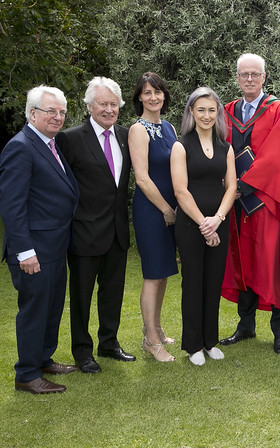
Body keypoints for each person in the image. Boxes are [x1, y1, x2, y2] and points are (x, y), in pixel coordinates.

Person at [0, 85, 79, 393]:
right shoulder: (21, 146)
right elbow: (12, 206)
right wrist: (24, 252)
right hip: (34, 250)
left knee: (51, 307)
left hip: (55, 247)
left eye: (61, 112)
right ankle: (27, 374)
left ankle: (44, 358)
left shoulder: (50, 144)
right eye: (51, 111)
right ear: (32, 113)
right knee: (34, 310)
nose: (58, 117)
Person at [219, 53, 280, 354]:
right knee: (242, 262)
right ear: (237, 78)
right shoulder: (226, 112)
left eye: (255, 74)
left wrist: (242, 185)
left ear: (264, 77)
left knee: (271, 264)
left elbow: (276, 154)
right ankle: (245, 325)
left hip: (265, 200)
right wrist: (228, 188)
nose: (249, 79)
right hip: (234, 202)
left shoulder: (279, 110)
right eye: (244, 74)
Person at [55, 77, 135, 374]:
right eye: (103, 104)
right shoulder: (71, 138)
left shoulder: (127, 136)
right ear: (90, 106)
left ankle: (109, 343)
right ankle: (82, 351)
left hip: (117, 231)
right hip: (84, 233)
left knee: (112, 292)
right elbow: (61, 186)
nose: (109, 109)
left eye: (114, 104)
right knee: (81, 295)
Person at [171, 87, 237, 366]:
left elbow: (231, 186)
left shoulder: (226, 147)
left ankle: (211, 341)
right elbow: (180, 191)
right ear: (191, 112)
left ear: (218, 113)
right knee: (193, 282)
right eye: (201, 110)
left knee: (213, 282)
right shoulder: (180, 145)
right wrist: (203, 223)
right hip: (190, 224)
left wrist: (217, 220)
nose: (207, 115)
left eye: (212, 110)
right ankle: (193, 344)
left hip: (219, 222)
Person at [129, 72, 178, 362]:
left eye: (157, 92)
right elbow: (143, 179)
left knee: (163, 274)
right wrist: (165, 209)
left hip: (171, 208)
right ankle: (150, 341)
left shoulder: (170, 127)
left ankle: (157, 329)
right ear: (139, 98)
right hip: (152, 210)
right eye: (147, 93)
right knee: (152, 274)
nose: (153, 97)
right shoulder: (138, 130)